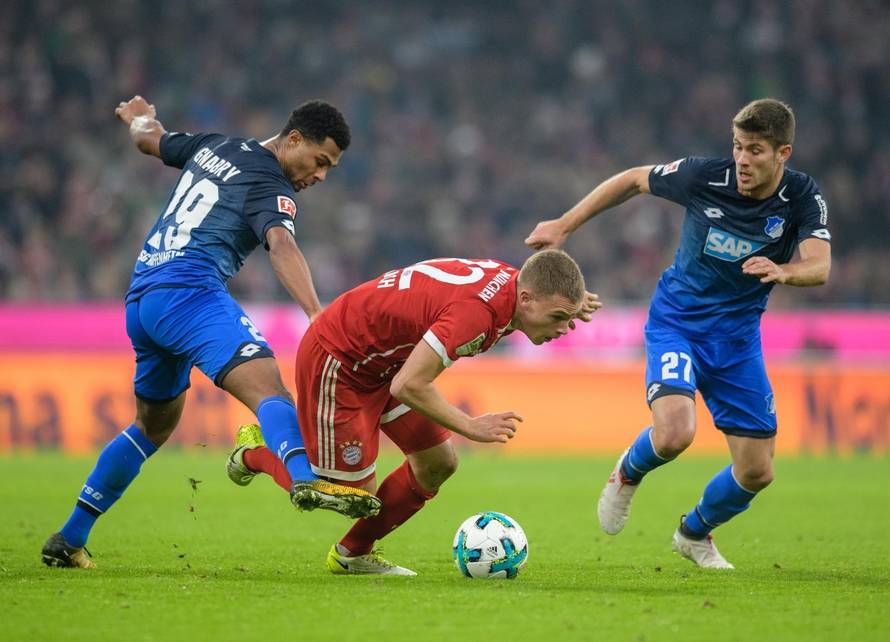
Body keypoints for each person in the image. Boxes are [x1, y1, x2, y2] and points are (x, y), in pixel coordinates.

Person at [42, 95, 380, 569]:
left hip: (143, 297)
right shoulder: (270, 181)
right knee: (271, 391)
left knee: (152, 427)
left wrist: (139, 114)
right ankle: (307, 478)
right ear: (294, 140)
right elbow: (280, 244)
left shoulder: (213, 146)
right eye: (319, 161)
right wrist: (316, 314)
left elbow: (148, 140)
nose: (320, 176)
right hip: (189, 290)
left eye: (330, 169)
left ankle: (70, 538)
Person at [526, 99, 831, 569]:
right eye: (737, 147)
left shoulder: (803, 198)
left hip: (736, 341)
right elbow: (632, 180)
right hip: (678, 324)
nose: (743, 159)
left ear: (782, 153)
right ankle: (627, 473)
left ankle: (694, 533)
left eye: (754, 150)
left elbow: (820, 266)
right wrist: (565, 225)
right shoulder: (704, 177)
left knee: (757, 470)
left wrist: (784, 271)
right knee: (674, 433)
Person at [226, 250, 601, 575]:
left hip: (387, 360)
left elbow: (546, 269)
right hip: (342, 358)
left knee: (438, 462)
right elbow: (408, 386)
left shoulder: (512, 287)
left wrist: (570, 303)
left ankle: (352, 555)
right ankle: (257, 451)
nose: (565, 328)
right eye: (558, 317)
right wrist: (470, 425)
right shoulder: (477, 314)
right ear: (528, 298)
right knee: (345, 495)